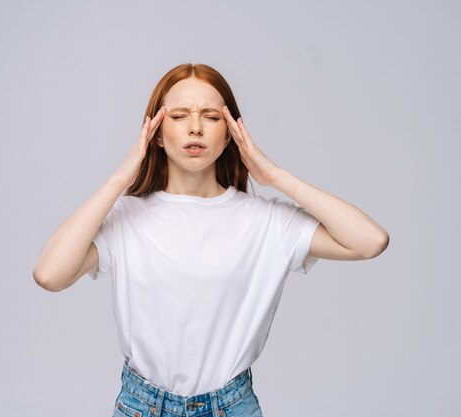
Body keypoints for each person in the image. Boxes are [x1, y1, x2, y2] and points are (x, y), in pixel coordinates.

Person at [32, 63, 389, 417]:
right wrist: (119, 180)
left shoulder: (265, 220)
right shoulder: (126, 217)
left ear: (231, 132)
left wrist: (276, 177)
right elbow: (50, 274)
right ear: (155, 132)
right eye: (179, 116)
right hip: (142, 407)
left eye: (211, 117)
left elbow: (370, 241)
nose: (196, 128)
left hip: (230, 408)